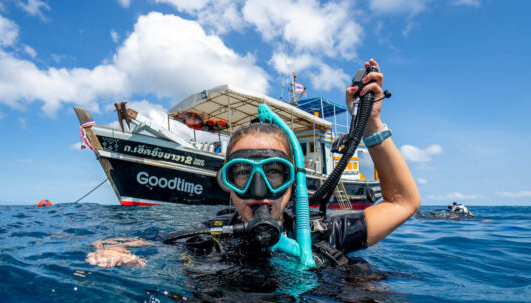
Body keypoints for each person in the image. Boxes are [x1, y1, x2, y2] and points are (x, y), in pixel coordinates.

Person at [86, 59, 420, 267]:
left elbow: (404, 202)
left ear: (294, 183)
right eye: (242, 174)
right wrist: (118, 253)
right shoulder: (212, 236)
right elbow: (124, 244)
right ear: (227, 184)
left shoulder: (321, 234)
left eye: (274, 173)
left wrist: (371, 123)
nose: (258, 192)